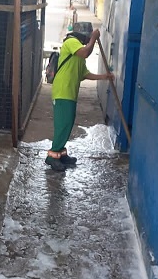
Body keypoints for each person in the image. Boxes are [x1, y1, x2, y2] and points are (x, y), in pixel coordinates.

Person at [46, 28, 114, 172]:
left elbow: (84, 74)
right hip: (62, 91)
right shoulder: (71, 42)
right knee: (63, 124)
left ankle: (61, 154)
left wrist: (104, 77)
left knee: (68, 123)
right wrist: (94, 38)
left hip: (70, 92)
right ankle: (52, 156)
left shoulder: (78, 55)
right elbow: (85, 52)